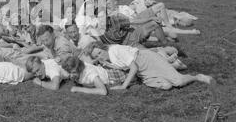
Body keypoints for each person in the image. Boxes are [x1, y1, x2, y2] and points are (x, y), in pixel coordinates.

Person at [85, 42, 213, 90]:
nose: (99, 57)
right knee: (167, 85)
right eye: (96, 56)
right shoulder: (107, 61)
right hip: (142, 72)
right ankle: (171, 73)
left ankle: (197, 77)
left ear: (103, 48)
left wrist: (124, 86)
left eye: (99, 52)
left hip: (147, 60)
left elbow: (133, 67)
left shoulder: (115, 50)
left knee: (178, 81)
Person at [61, 56, 128, 95]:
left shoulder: (90, 74)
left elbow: (103, 91)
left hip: (113, 76)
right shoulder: (77, 66)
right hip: (103, 69)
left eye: (73, 72)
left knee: (129, 75)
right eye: (69, 72)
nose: (71, 75)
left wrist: (79, 89)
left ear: (79, 69)